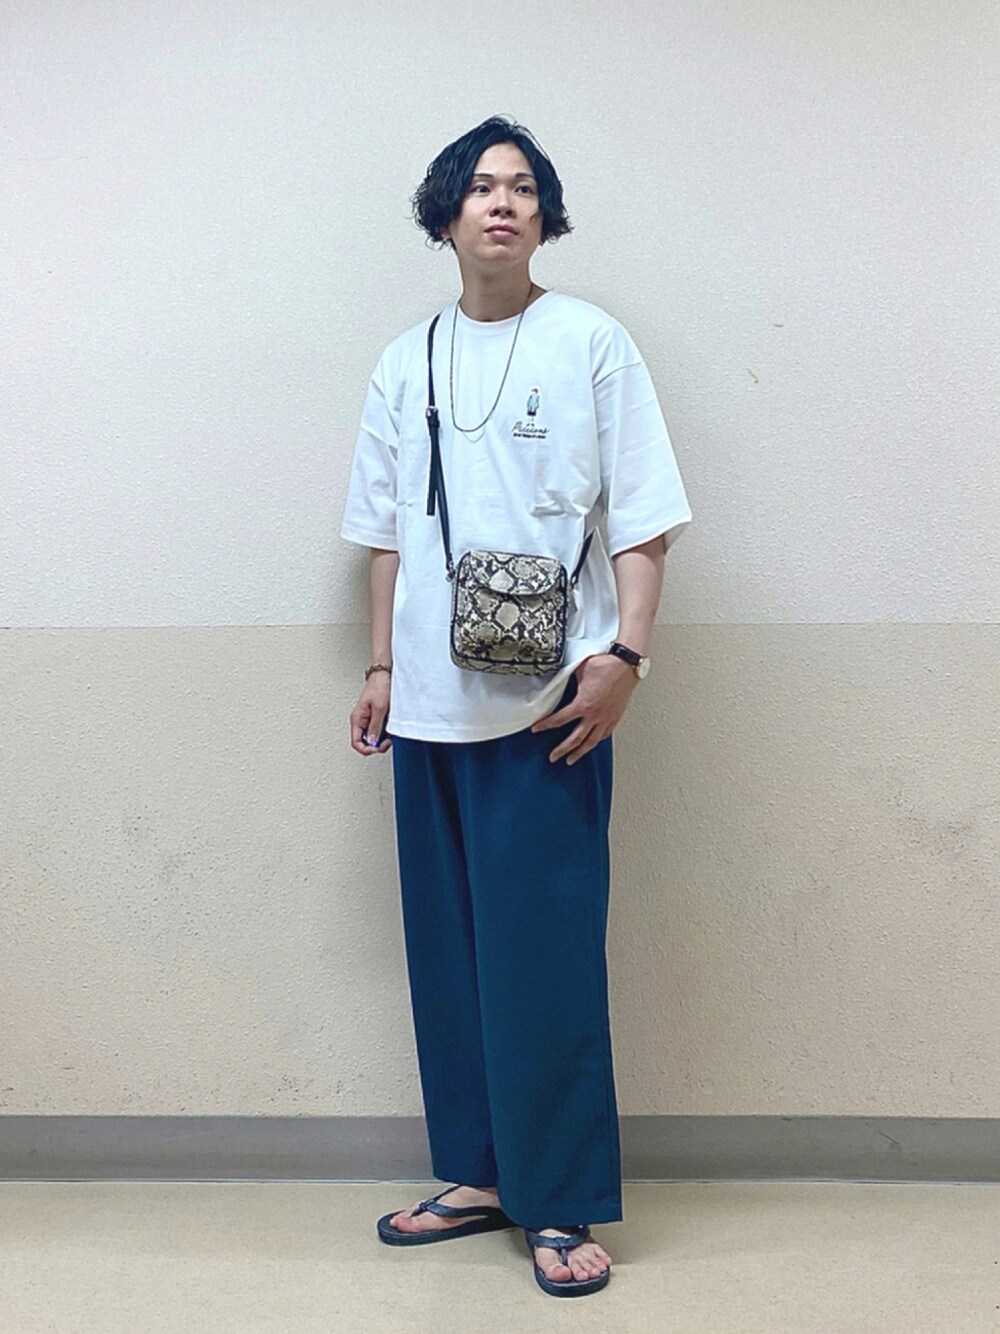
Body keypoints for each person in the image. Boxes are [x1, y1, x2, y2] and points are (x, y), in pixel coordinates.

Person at [339, 114, 692, 1298]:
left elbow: (641, 515)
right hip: (428, 707)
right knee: (449, 958)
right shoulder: (405, 360)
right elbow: (385, 533)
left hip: (551, 707)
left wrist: (625, 654)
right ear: (445, 215)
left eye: (524, 187)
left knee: (543, 958)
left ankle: (559, 1196)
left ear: (546, 216)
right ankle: (481, 1172)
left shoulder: (590, 342)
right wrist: (380, 668)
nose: (503, 202)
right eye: (482, 187)